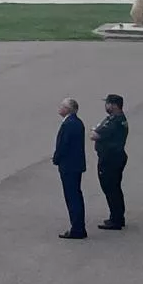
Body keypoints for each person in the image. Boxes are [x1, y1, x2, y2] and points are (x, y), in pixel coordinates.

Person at [93, 94, 129, 230]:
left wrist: (96, 133)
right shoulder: (117, 119)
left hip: (110, 159)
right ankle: (118, 216)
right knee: (115, 188)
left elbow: (96, 134)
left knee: (110, 188)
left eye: (107, 103)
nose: (106, 106)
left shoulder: (115, 121)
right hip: (115, 157)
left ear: (114, 105)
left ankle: (116, 219)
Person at [53, 98, 87, 239]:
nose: (59, 108)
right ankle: (78, 226)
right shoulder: (77, 122)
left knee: (72, 197)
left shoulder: (69, 124)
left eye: (62, 106)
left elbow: (63, 145)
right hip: (76, 164)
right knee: (76, 195)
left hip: (69, 166)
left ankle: (77, 228)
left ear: (68, 109)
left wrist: (56, 159)